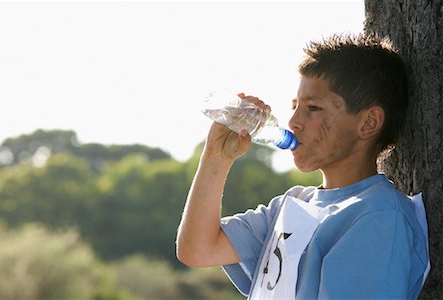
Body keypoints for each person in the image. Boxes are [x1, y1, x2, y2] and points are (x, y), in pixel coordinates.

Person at [176, 33, 429, 299]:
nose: (293, 122)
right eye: (295, 106)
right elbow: (197, 249)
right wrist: (216, 156)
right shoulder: (294, 203)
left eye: (313, 108)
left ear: (368, 123)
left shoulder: (378, 217)